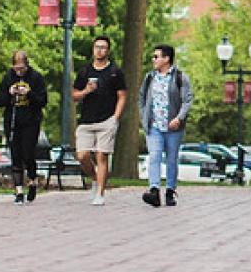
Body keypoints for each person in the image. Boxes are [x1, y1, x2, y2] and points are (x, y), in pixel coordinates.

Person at [72, 36, 126, 206]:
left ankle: (100, 194)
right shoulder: (85, 71)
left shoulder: (115, 72)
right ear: (93, 49)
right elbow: (74, 96)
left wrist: (115, 118)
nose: (99, 50)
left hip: (106, 120)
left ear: (108, 51)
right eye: (97, 47)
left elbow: (122, 96)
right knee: (82, 156)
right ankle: (96, 179)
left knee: (102, 156)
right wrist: (86, 90)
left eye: (103, 47)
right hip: (86, 121)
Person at [138, 43, 193, 207]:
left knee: (171, 160)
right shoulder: (150, 77)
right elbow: (141, 98)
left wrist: (179, 118)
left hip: (173, 127)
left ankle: (170, 191)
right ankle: (154, 190)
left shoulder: (179, 77)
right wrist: (143, 117)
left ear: (166, 59)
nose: (153, 59)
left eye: (156, 56)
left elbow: (187, 100)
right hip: (154, 126)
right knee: (154, 156)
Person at [0, 50, 47, 205]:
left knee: (28, 153)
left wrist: (29, 93)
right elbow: (0, 101)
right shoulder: (8, 77)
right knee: (15, 154)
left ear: (27, 65)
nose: (18, 72)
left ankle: (32, 181)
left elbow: (42, 101)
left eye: (21, 68)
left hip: (31, 121)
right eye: (16, 68)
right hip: (12, 121)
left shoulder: (36, 78)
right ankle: (18, 190)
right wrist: (9, 92)